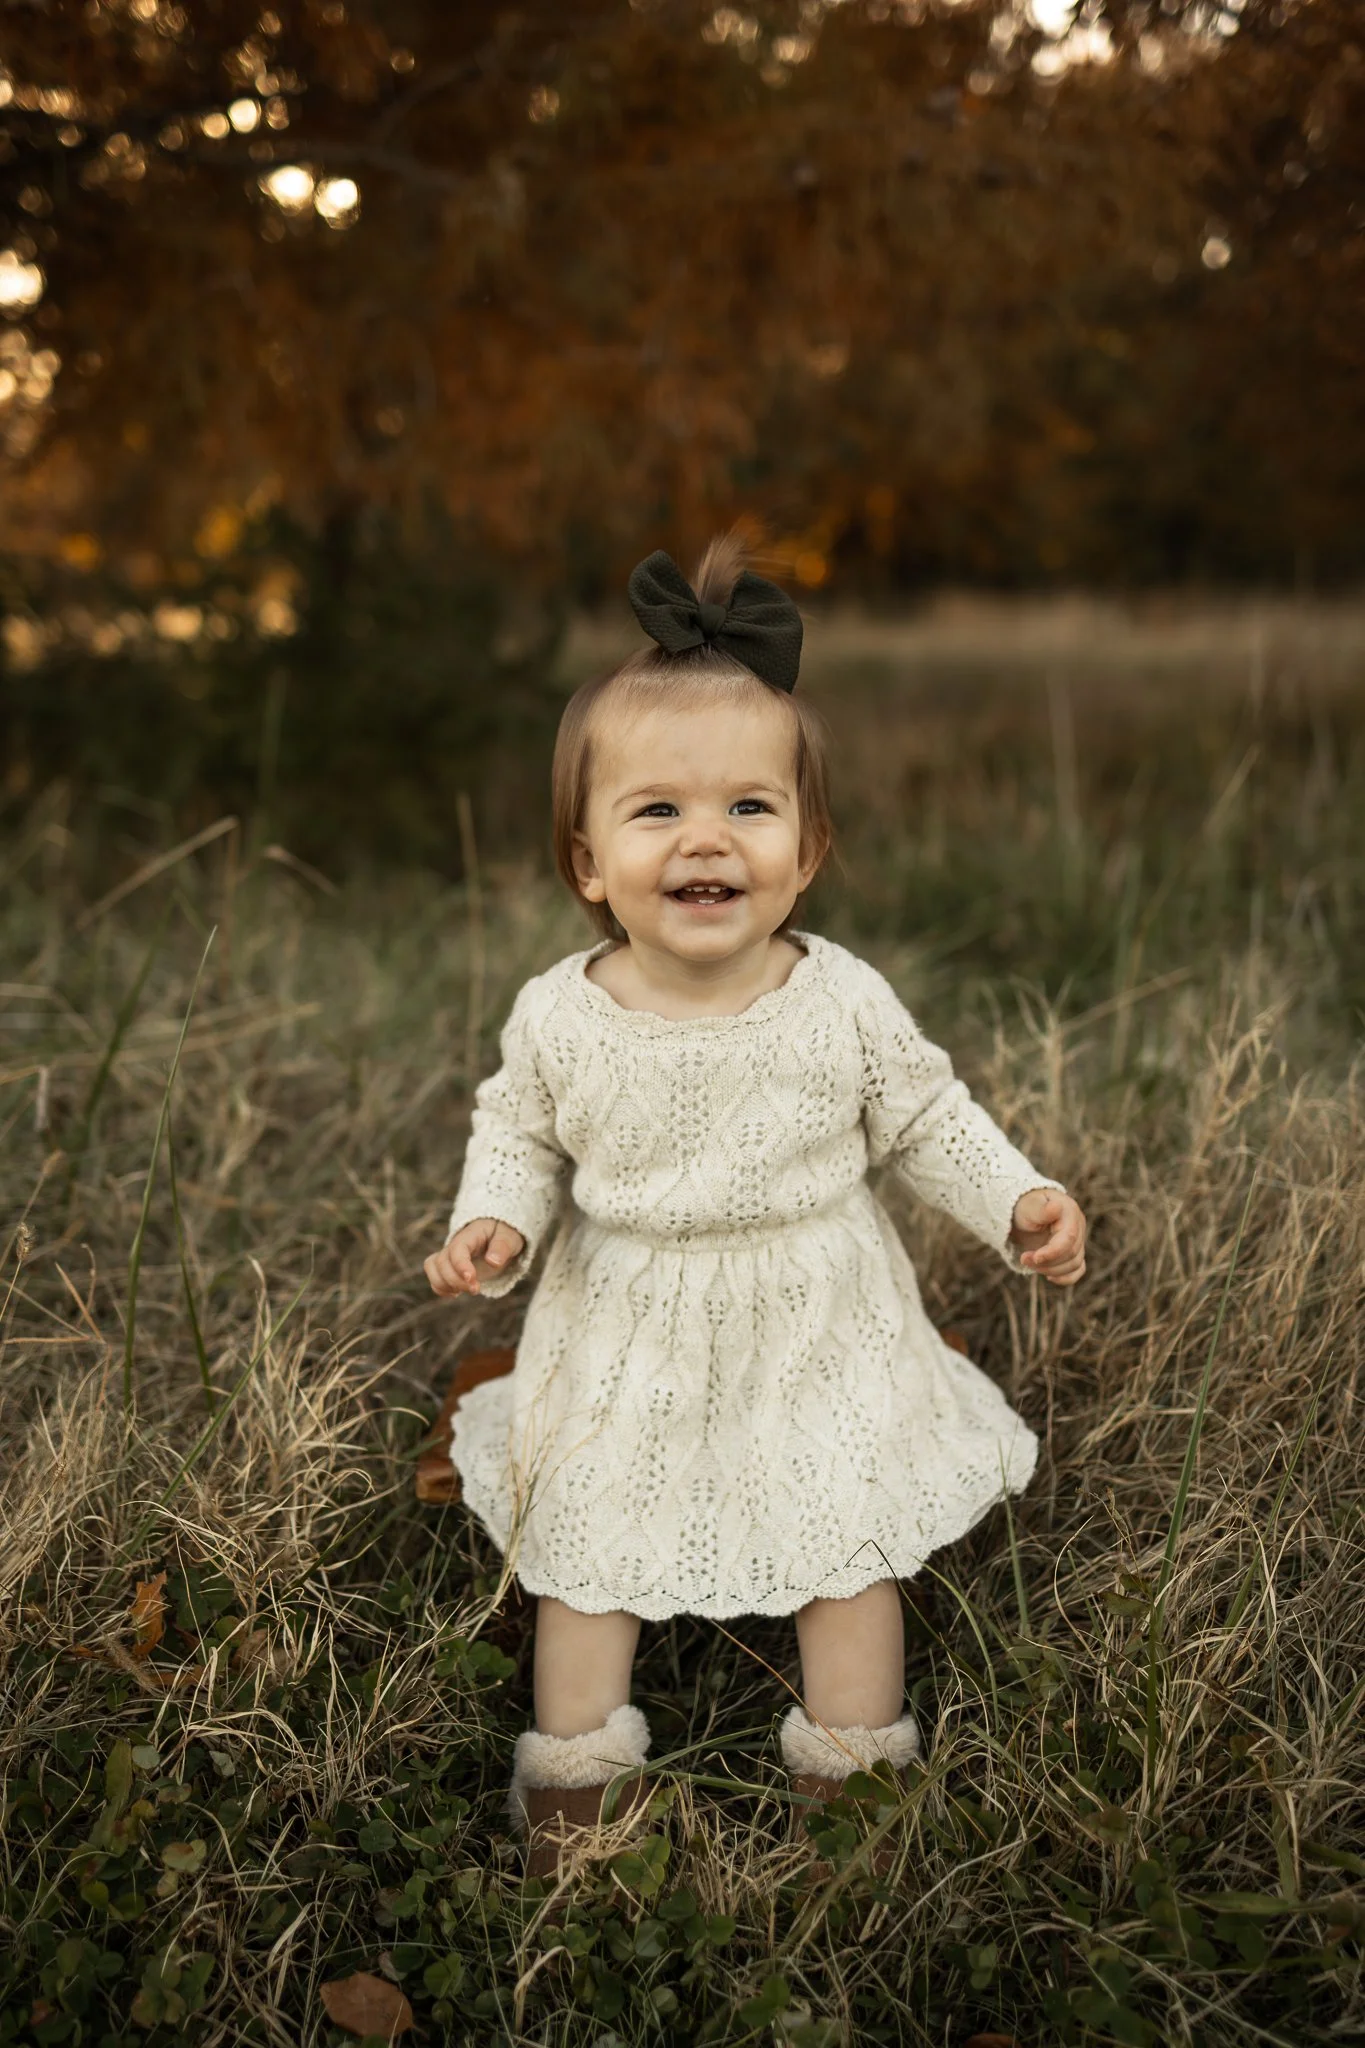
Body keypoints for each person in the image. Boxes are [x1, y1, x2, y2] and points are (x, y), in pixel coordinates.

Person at [424, 535, 1087, 1874]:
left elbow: (924, 1117)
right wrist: (498, 1217)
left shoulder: (839, 998)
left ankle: (854, 1785)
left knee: (847, 1538)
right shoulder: (560, 1013)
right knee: (587, 1546)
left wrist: (1014, 1196)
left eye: (749, 806)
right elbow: (520, 1130)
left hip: (815, 1315)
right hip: (623, 1323)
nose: (706, 838)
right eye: (656, 811)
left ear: (809, 847)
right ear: (588, 862)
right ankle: (576, 1795)